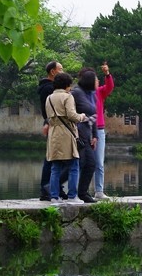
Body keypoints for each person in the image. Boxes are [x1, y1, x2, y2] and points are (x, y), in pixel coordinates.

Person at [45, 72, 87, 201]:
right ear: (67, 85)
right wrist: (82, 116)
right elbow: (72, 115)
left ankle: (54, 196)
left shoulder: (49, 98)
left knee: (55, 167)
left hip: (54, 133)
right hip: (67, 133)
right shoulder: (68, 97)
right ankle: (72, 196)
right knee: (74, 165)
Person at [37, 60, 64, 200]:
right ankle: (47, 188)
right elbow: (48, 110)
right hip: (54, 125)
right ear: (53, 72)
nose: (63, 71)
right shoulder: (48, 89)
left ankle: (54, 187)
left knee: (57, 158)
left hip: (56, 125)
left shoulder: (52, 87)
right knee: (51, 158)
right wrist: (47, 122)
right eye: (60, 69)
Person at [72, 69, 99, 203]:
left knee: (90, 163)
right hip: (77, 134)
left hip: (87, 135)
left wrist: (95, 135)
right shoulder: (76, 93)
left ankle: (83, 193)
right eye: (95, 80)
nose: (97, 82)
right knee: (78, 163)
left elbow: (94, 115)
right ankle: (55, 187)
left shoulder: (92, 95)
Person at [93, 62, 114, 199]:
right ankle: (76, 191)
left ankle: (99, 191)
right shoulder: (81, 94)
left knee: (99, 162)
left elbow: (110, 87)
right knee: (83, 162)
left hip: (99, 130)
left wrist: (107, 74)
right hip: (86, 130)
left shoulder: (99, 92)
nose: (98, 81)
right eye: (96, 80)